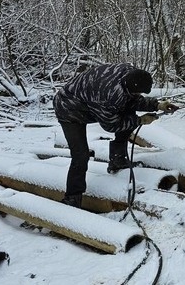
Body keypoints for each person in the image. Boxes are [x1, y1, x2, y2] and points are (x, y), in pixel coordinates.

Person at [53, 63, 178, 208]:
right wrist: (140, 120)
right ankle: (72, 197)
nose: (138, 95)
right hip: (68, 109)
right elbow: (112, 125)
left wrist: (157, 105)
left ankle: (117, 160)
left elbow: (131, 100)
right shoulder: (108, 95)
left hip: (88, 100)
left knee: (127, 113)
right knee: (80, 155)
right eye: (137, 92)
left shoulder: (129, 73)